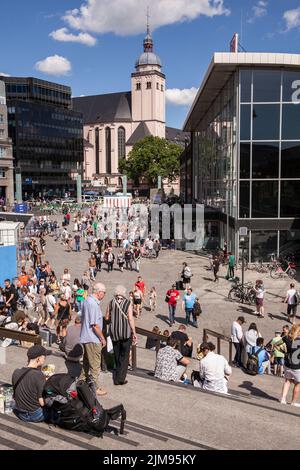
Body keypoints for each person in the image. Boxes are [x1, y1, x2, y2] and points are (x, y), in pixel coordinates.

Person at [105, 285, 137, 386]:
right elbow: (130, 319)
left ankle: (118, 375)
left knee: (117, 355)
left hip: (114, 333)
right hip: (125, 333)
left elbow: (106, 317)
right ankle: (120, 379)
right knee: (125, 355)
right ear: (124, 293)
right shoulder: (128, 303)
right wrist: (134, 332)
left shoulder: (111, 302)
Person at [79, 283, 107, 396]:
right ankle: (95, 388)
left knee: (86, 362)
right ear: (99, 292)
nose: (104, 295)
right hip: (93, 338)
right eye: (104, 292)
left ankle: (81, 381)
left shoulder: (87, 300)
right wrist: (102, 338)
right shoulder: (93, 304)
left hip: (86, 336)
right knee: (95, 364)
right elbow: (94, 325)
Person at [12, 345, 51, 423]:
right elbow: (42, 403)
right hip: (35, 415)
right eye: (44, 357)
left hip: (20, 414)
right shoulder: (39, 375)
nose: (45, 359)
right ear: (38, 359)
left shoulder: (16, 372)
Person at [280, 324, 300, 407]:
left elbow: (276, 344)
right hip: (297, 365)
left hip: (287, 364)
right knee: (298, 384)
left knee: (287, 381)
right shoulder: (299, 340)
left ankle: (283, 399)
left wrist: (283, 351)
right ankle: (293, 402)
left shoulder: (287, 337)